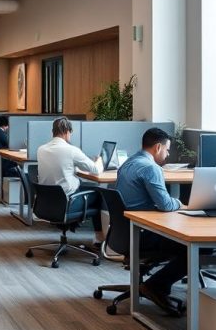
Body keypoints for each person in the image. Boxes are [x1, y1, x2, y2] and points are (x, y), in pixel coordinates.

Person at [114, 127, 184, 314]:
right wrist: (182, 204)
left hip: (125, 233)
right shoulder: (150, 168)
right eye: (167, 150)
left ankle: (154, 285)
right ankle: (156, 286)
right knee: (191, 249)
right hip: (142, 233)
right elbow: (166, 205)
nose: (168, 154)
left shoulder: (129, 163)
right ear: (158, 147)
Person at [37, 117, 106, 245]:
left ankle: (74, 226)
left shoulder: (41, 150)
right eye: (70, 132)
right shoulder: (71, 150)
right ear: (66, 131)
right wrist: (100, 160)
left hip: (46, 202)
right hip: (68, 201)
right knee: (99, 193)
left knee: (86, 187)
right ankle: (99, 238)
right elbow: (96, 170)